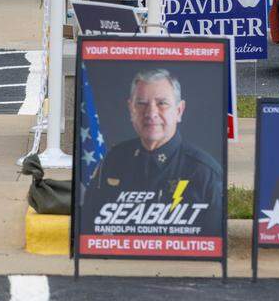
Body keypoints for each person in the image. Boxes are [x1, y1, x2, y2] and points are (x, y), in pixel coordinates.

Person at [83, 69, 225, 234]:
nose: (151, 113)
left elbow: (212, 239)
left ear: (179, 111)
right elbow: (89, 226)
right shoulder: (113, 160)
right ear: (131, 109)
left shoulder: (204, 172)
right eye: (141, 103)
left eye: (162, 103)